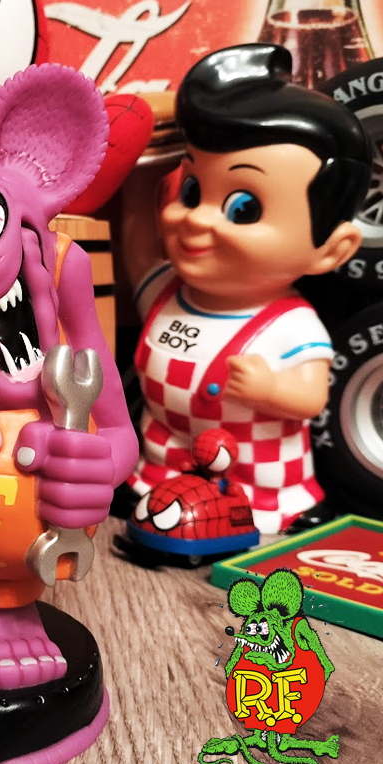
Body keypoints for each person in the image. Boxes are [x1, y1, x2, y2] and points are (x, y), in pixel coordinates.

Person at [120, 44, 371, 535]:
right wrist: (139, 176)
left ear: (332, 250)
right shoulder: (168, 292)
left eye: (243, 209)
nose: (197, 220)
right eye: (192, 192)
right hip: (161, 469)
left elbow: (312, 396)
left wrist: (271, 390)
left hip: (256, 482)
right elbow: (139, 248)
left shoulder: (289, 325)